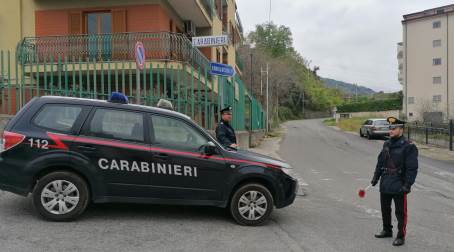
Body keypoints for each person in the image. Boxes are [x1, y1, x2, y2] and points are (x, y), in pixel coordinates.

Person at [371, 117, 418, 246]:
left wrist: (407, 184)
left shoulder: (409, 146)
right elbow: (380, 161)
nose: (390, 130)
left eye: (394, 128)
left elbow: (412, 168)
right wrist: (376, 177)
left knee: (400, 212)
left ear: (401, 129)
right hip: (386, 182)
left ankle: (401, 236)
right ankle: (387, 230)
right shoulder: (387, 144)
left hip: (399, 183)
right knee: (385, 209)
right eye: (389, 128)